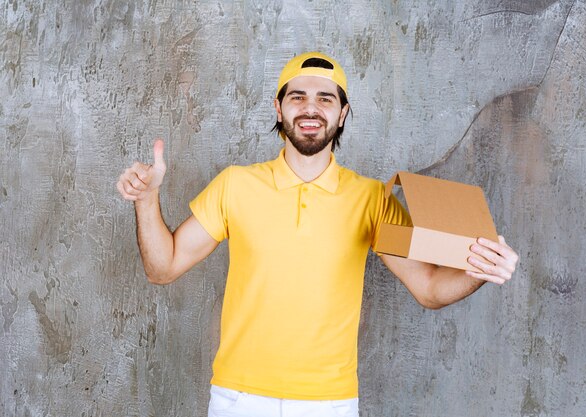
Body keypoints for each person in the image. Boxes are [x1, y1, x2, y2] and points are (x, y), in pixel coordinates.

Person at [116, 52, 519, 417]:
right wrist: (147, 199)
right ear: (279, 108)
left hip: (329, 402)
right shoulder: (235, 186)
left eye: (326, 98)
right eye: (298, 97)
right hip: (238, 398)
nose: (311, 107)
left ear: (343, 113)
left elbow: (429, 286)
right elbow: (162, 267)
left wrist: (479, 269)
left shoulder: (372, 199)